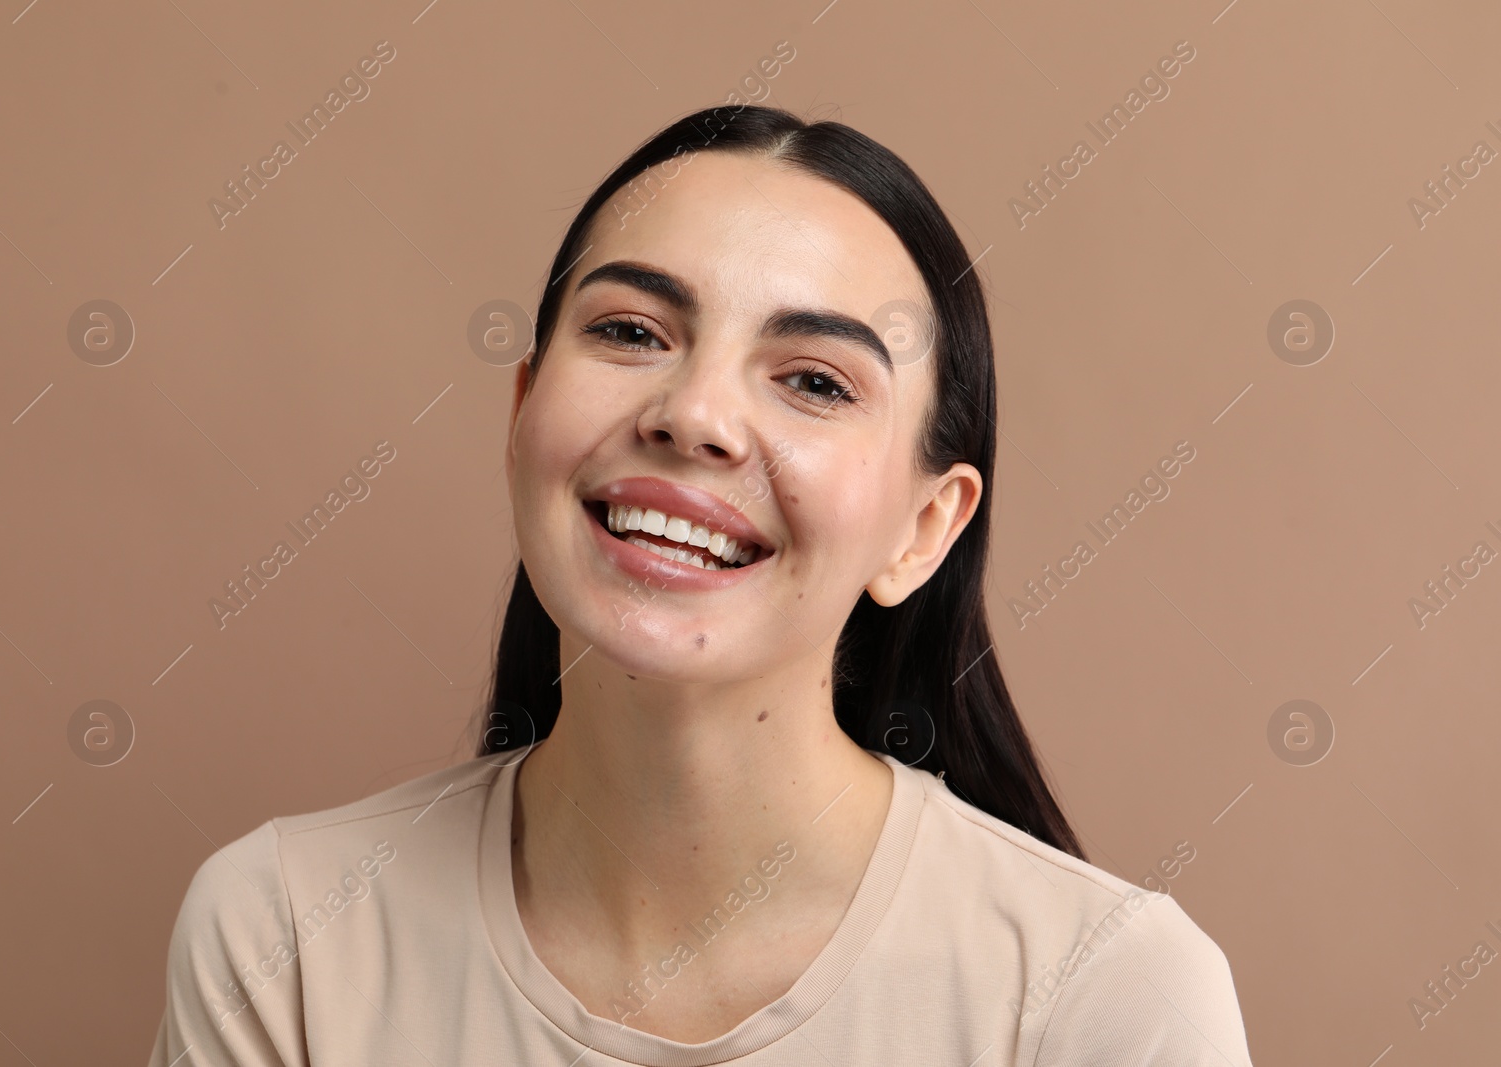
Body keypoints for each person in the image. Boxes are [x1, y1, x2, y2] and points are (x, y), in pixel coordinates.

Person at [147, 103, 1255, 1065]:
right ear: (522, 410)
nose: (693, 414)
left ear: (922, 530)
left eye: (814, 380)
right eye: (631, 330)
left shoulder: (1110, 993)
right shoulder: (282, 931)